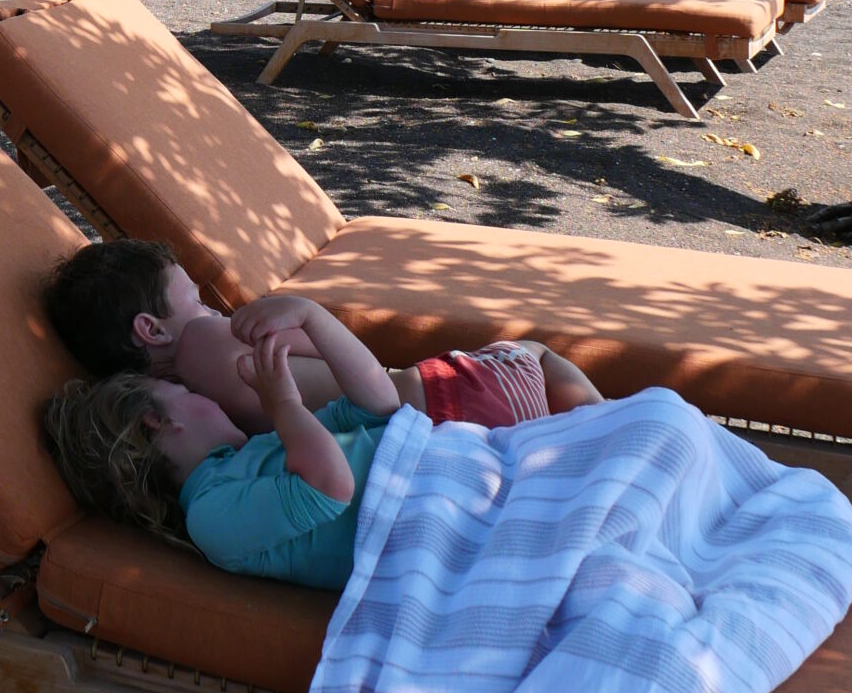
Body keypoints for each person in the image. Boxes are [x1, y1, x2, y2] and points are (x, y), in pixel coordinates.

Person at [42, 238, 600, 435]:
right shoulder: (203, 343)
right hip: (444, 399)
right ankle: (613, 420)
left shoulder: (177, 406)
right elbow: (363, 364)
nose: (209, 306)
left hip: (442, 428)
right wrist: (306, 313)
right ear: (151, 328)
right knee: (533, 353)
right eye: (193, 295)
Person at [42, 330, 389, 588]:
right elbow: (332, 486)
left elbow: (378, 407)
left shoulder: (255, 451)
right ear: (159, 421)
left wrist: (313, 320)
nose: (210, 399)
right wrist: (284, 404)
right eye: (189, 392)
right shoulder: (210, 516)